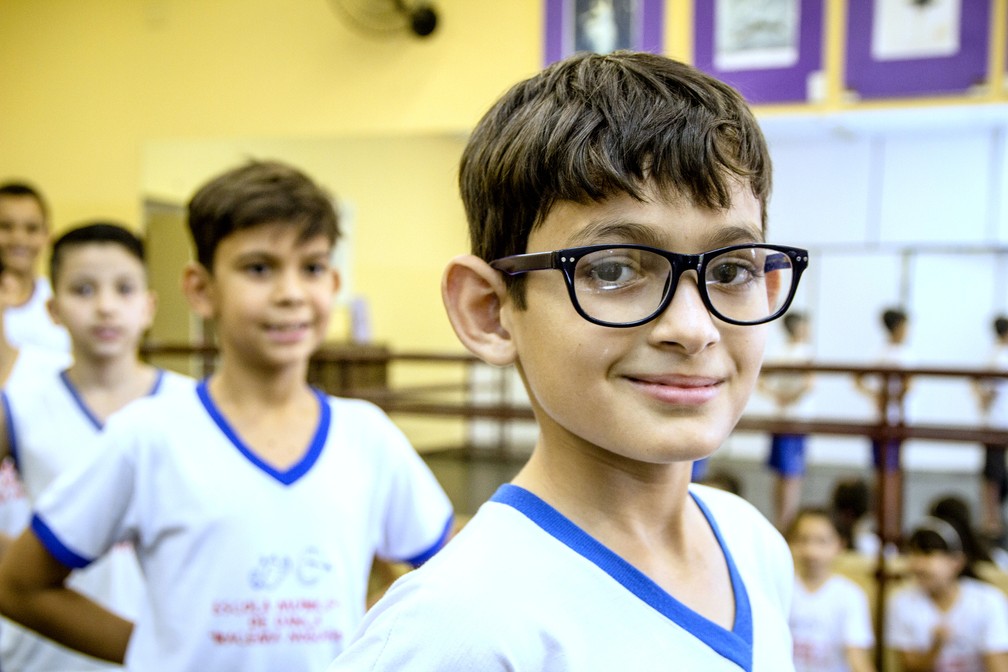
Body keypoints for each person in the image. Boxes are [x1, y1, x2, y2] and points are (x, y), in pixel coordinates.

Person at [329, 50, 808, 670]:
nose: (693, 328)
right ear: (488, 311)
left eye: (732, 269)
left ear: (769, 288)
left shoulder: (750, 543)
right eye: (613, 269)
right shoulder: (458, 630)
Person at [0, 160, 454, 671]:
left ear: (333, 282)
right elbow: (21, 586)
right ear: (200, 288)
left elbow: (452, 574)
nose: (290, 293)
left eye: (311, 267)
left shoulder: (367, 436)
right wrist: (154, 654)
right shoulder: (148, 435)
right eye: (259, 268)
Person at [0, 221, 193, 671]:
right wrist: (20, 567)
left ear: (148, 306)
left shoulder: (194, 404)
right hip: (47, 651)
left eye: (124, 289)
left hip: (167, 649)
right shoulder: (19, 405)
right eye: (84, 290)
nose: (105, 307)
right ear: (52, 308)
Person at [886, 511, 1008, 672]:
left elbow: (998, 665)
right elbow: (911, 667)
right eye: (913, 553)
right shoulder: (902, 601)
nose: (917, 564)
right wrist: (936, 646)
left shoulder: (988, 601)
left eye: (927, 554)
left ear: (957, 562)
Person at [787, 507, 875, 672]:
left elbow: (857, 656)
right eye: (802, 539)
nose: (811, 551)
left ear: (840, 545)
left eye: (822, 541)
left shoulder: (850, 595)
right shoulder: (780, 589)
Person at [758, 310, 815, 530]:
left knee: (780, 475)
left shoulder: (778, 351)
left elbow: (761, 381)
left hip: (779, 417)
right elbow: (810, 383)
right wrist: (791, 398)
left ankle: (780, 523)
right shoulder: (804, 351)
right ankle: (787, 527)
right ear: (798, 327)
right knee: (793, 476)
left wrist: (777, 397)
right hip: (796, 419)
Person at [0, 182, 71, 354]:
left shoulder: (62, 299)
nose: (18, 238)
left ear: (47, 235)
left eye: (31, 229)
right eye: (5, 226)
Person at [974, 315, 1008, 542]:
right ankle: (992, 522)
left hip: (996, 422)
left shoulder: (994, 356)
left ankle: (992, 520)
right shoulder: (1000, 357)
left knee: (993, 474)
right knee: (994, 473)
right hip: (999, 422)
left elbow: (983, 388)